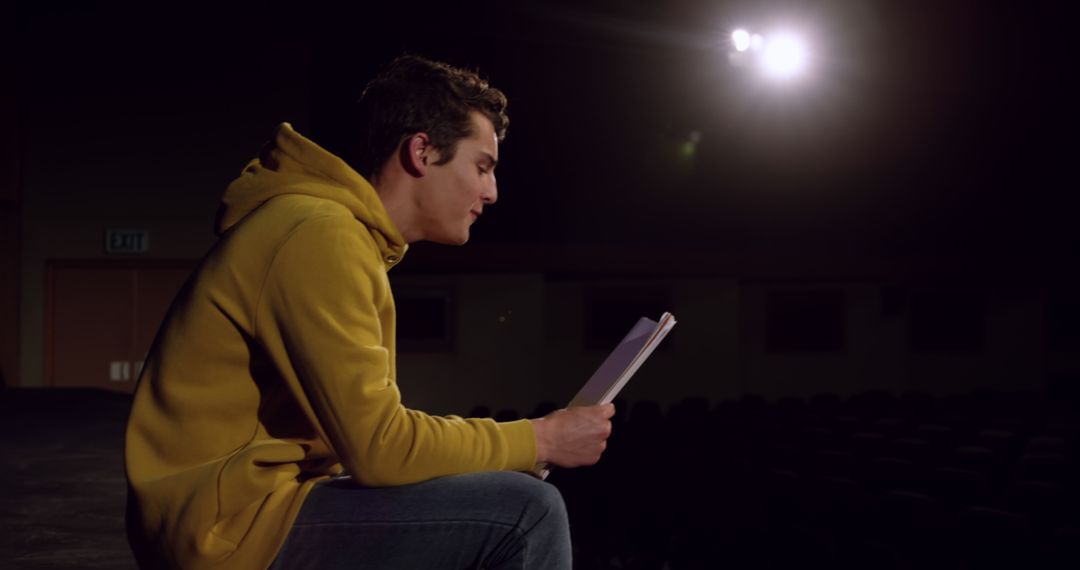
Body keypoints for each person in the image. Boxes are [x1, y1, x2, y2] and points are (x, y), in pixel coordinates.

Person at [124, 55, 615, 569]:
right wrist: (543, 437)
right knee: (527, 512)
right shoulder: (319, 235)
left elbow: (374, 442)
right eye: (483, 167)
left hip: (251, 510)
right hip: (229, 532)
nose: (492, 193)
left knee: (488, 488)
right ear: (421, 152)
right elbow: (382, 448)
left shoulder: (334, 234)